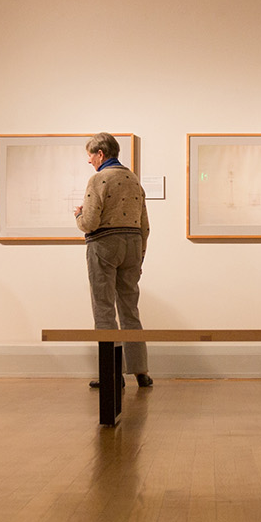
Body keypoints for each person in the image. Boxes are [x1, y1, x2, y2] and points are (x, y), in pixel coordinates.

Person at [74, 132, 152, 387]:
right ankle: (141, 371)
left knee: (104, 307)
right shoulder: (133, 179)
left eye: (90, 155)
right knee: (130, 308)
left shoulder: (99, 179)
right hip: (133, 244)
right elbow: (145, 224)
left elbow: (90, 222)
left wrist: (78, 215)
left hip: (105, 245)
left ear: (101, 154)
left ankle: (112, 373)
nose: (89, 161)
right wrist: (140, 255)